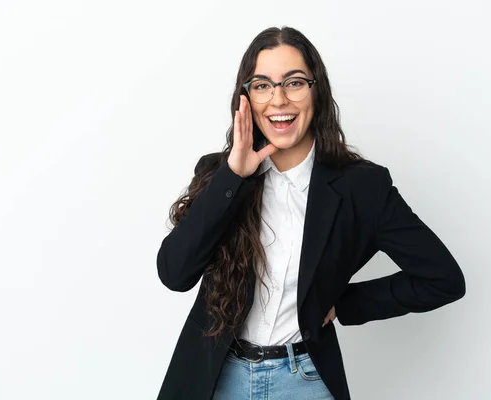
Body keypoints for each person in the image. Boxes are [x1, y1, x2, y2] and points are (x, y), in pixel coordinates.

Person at [155, 26, 465, 400]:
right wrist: (233, 177)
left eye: (294, 82)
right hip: (217, 379)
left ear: (317, 91)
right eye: (262, 85)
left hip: (304, 382)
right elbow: (174, 273)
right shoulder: (220, 174)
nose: (279, 99)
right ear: (246, 99)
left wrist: (344, 303)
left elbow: (443, 278)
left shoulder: (362, 187)